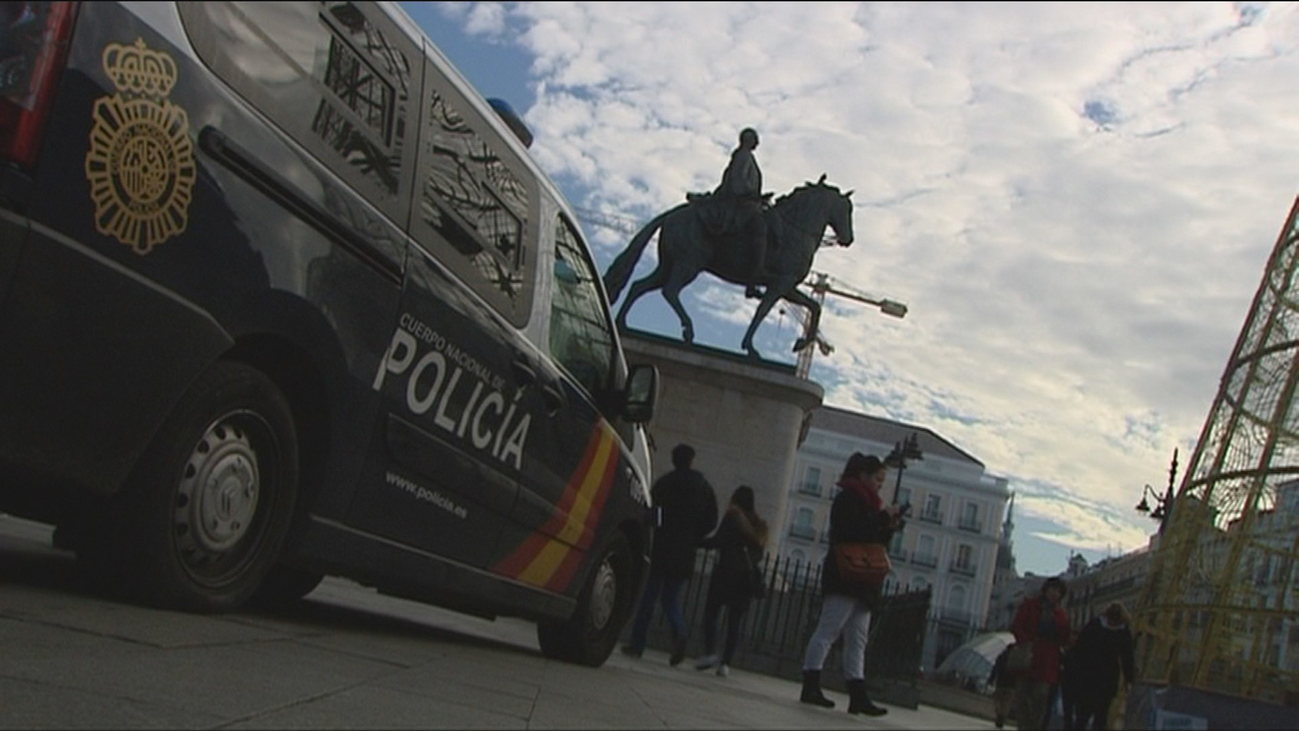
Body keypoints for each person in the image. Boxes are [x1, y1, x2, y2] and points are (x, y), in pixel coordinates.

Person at [798, 452, 904, 717]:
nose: (880, 485)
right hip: (845, 575)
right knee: (829, 630)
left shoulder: (870, 504)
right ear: (863, 476)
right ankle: (811, 684)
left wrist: (889, 526)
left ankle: (858, 694)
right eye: (877, 479)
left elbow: (874, 538)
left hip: (863, 580)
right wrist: (882, 519)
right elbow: (854, 532)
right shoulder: (847, 499)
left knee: (858, 638)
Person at [622, 443, 719, 665]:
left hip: (663, 546)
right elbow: (712, 519)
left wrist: (659, 528)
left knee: (649, 597)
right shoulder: (703, 487)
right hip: (686, 550)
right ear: (692, 460)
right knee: (671, 598)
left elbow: (650, 510)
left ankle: (637, 644)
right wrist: (695, 535)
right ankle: (679, 630)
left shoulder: (665, 483)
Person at [694, 485, 769, 678]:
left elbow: (718, 541)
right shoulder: (759, 526)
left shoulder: (733, 517)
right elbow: (759, 554)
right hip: (744, 579)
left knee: (711, 614)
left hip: (725, 573)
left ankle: (710, 652)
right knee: (734, 623)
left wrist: (697, 542)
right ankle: (725, 663)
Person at [1062, 602, 1136, 730]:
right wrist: (1128, 679)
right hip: (1100, 677)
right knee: (1091, 716)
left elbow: (1079, 648)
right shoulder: (1122, 631)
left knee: (1089, 716)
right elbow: (1127, 657)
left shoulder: (1096, 625)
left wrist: (1129, 678)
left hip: (1094, 677)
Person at [1011, 576, 1072, 730]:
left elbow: (1063, 638)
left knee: (1040, 697)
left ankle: (1033, 727)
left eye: (1058, 592)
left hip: (1047, 662)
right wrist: (1024, 642)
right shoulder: (1030, 606)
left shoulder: (1061, 615)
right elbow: (1017, 625)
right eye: (1053, 589)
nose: (1055, 594)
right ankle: (1024, 726)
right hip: (1028, 656)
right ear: (1046, 590)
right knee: (1022, 697)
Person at [713, 127, 767, 299]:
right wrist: (752, 195)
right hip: (741, 204)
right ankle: (753, 278)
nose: (757, 143)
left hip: (748, 202)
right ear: (749, 141)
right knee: (760, 229)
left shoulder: (745, 156)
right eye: (755, 139)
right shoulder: (743, 156)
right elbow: (738, 182)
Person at [988, 644, 1018, 729]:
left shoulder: (1001, 656)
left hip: (1000, 683)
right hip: (1012, 685)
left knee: (998, 700)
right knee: (1007, 703)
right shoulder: (1017, 658)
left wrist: (991, 679)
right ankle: (1002, 716)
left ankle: (999, 713)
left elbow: (996, 668)